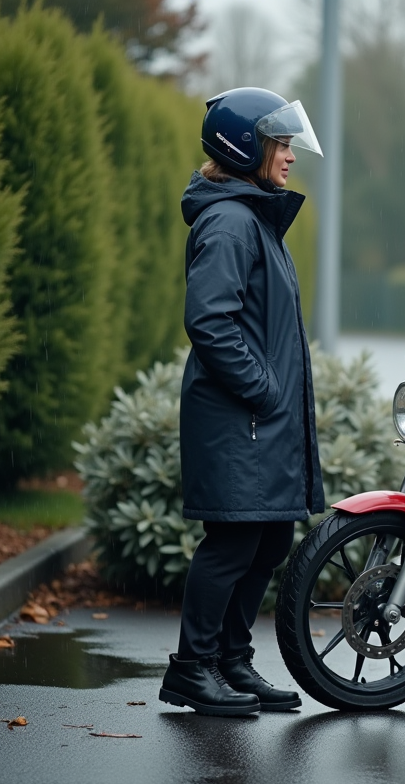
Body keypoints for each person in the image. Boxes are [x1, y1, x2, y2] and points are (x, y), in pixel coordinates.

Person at [158, 88, 325, 717]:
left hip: (258, 421)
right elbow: (211, 322)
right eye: (279, 144)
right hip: (240, 417)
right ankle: (191, 669)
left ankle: (231, 661)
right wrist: (262, 388)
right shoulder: (230, 222)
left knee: (269, 541)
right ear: (245, 147)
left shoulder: (253, 215)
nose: (288, 155)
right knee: (231, 544)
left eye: (288, 143)